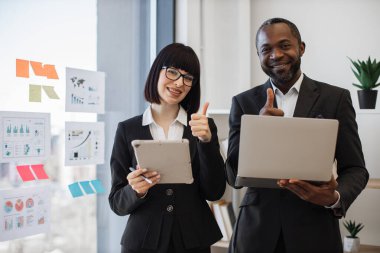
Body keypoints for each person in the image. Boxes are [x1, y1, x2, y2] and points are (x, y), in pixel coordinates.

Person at [225, 18, 369, 253]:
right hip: (256, 233)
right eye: (266, 49)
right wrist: (259, 133)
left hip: (315, 230)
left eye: (284, 45)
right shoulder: (243, 102)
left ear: (301, 48)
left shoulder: (335, 99)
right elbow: (233, 176)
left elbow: (355, 169)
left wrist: (334, 197)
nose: (276, 55)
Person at [109, 43, 226, 253]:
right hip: (143, 241)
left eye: (188, 78)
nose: (179, 83)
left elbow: (214, 191)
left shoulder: (202, 127)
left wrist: (206, 143)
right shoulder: (127, 129)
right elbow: (117, 203)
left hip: (193, 240)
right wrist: (136, 190)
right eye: (172, 72)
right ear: (157, 71)